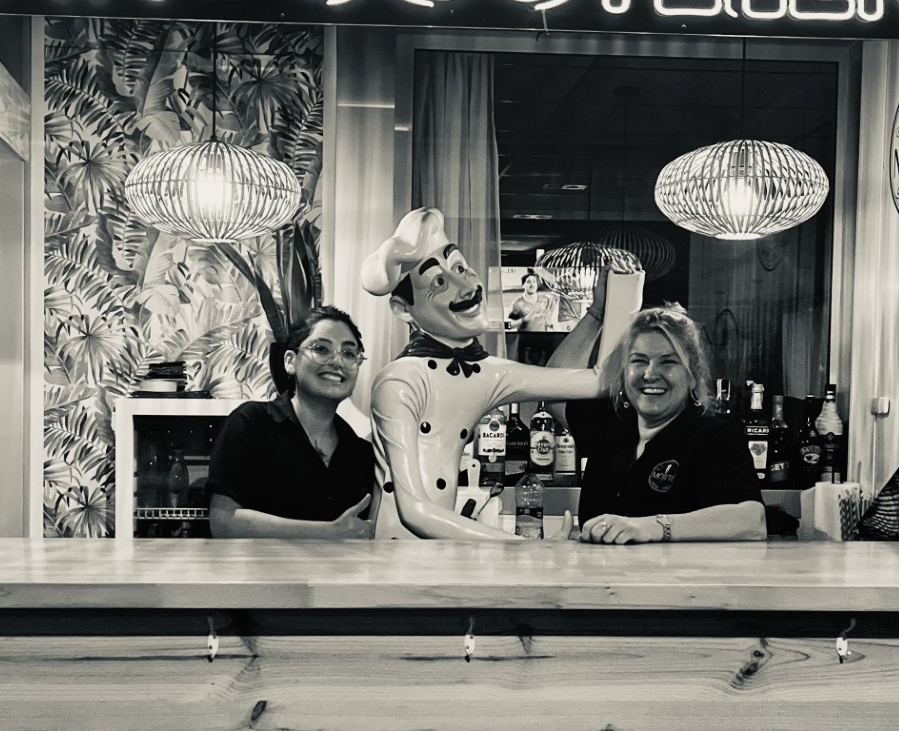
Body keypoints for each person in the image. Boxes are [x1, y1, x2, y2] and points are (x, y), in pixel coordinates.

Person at [360, 207, 639, 540]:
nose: (466, 286)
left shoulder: (487, 373)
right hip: (392, 547)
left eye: (460, 267)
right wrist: (520, 548)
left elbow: (600, 382)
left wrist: (607, 308)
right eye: (439, 282)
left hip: (438, 547)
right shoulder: (400, 383)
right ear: (403, 310)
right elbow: (414, 511)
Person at [566, 304, 766, 543]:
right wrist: (597, 311)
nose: (650, 374)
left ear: (692, 376)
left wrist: (653, 527)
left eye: (668, 362)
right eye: (639, 361)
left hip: (682, 569)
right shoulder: (610, 436)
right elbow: (554, 384)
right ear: (624, 372)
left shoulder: (714, 438)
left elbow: (752, 522)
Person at [206, 307, 376, 539]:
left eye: (349, 353)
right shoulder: (251, 423)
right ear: (290, 361)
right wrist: (328, 532)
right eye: (321, 349)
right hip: (262, 564)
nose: (338, 361)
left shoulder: (360, 453)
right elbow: (223, 522)